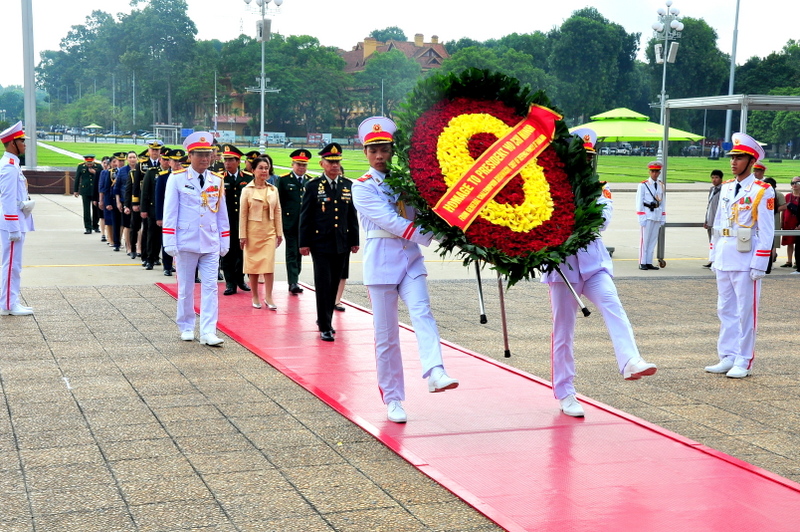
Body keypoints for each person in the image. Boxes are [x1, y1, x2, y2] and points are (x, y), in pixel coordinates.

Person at [351, 116, 458, 423]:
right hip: (382, 265)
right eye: (373, 150)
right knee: (386, 337)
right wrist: (432, 236)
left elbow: (428, 214)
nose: (379, 155)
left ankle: (435, 371)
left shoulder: (408, 182)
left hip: (410, 260)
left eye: (384, 148)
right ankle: (394, 398)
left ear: (393, 149)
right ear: (365, 153)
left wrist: (455, 234)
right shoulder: (362, 188)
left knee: (423, 313)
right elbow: (392, 222)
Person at [543, 128, 656, 417]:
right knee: (563, 333)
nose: (586, 163)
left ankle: (631, 360)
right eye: (580, 157)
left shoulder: (601, 189)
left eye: (589, 158)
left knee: (613, 305)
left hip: (593, 265)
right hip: (563, 271)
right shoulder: (546, 188)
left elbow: (599, 222)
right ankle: (565, 392)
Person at [705, 132, 774, 378]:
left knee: (746, 311)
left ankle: (744, 359)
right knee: (725, 309)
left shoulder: (761, 191)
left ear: (751, 161)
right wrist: (713, 254)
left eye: (739, 157)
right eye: (732, 157)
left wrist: (761, 263)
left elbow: (766, 231)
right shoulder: (725, 188)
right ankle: (727, 355)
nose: (733, 162)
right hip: (725, 255)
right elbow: (718, 224)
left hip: (746, 259)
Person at [162, 132, 231, 346]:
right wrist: (170, 242)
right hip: (186, 241)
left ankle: (209, 331)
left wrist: (224, 240)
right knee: (186, 287)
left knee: (211, 287)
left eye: (208, 155)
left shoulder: (216, 180)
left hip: (210, 241)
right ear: (189, 155)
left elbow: (222, 214)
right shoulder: (177, 179)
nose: (205, 159)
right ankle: (186, 325)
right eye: (199, 155)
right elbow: (170, 212)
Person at [299, 143, 359, 342]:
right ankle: (325, 325)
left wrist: (354, 240)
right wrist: (304, 243)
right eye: (331, 162)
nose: (335, 165)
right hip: (320, 243)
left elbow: (351, 216)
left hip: (341, 242)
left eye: (337, 162)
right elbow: (305, 217)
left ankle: (326, 319)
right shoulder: (313, 186)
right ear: (322, 164)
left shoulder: (347, 185)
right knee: (323, 284)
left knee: (334, 284)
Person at [0, 122, 35, 316]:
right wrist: (14, 227)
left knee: (14, 264)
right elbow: (6, 199)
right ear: (13, 143)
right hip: (11, 224)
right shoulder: (9, 167)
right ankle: (7, 304)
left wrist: (24, 204)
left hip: (14, 221)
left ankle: (11, 300)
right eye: (22, 141)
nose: (25, 144)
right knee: (12, 265)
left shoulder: (12, 165)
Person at [240, 156, 283, 310]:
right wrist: (242, 236)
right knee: (254, 266)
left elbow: (278, 211)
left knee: (268, 265)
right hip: (252, 232)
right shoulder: (247, 190)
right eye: (261, 168)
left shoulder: (273, 189)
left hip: (269, 232)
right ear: (253, 170)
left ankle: (269, 296)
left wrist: (279, 232)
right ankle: (255, 296)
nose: (264, 171)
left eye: (266, 168)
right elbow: (243, 215)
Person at [276, 149, 311, 295]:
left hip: (306, 225)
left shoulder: (310, 181)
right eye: (298, 164)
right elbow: (279, 204)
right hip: (290, 223)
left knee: (300, 252)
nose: (301, 167)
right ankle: (293, 282)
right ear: (292, 164)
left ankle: (295, 278)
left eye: (303, 165)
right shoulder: (284, 180)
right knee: (292, 252)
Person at [220, 144, 253, 295]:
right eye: (225, 160)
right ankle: (229, 283)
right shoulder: (219, 178)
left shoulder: (248, 178)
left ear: (238, 161)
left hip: (242, 222)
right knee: (227, 253)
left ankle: (240, 279)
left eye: (230, 160)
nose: (227, 163)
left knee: (241, 253)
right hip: (225, 221)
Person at [155, 149, 185, 276]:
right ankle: (167, 266)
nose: (177, 164)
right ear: (169, 162)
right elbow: (159, 198)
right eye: (175, 161)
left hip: (184, 214)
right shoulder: (163, 177)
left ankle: (181, 266)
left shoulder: (187, 175)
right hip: (169, 214)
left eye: (180, 161)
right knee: (168, 239)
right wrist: (159, 217)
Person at [140, 147, 170, 270]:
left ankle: (165, 262)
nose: (166, 162)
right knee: (152, 236)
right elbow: (145, 192)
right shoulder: (152, 172)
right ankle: (150, 259)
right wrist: (143, 209)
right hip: (153, 209)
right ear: (160, 159)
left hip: (168, 210)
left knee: (166, 238)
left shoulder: (174, 174)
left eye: (169, 160)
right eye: (164, 159)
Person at [635, 161, 666, 270]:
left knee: (653, 240)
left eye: (656, 171)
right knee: (645, 240)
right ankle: (642, 262)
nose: (654, 173)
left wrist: (663, 216)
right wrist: (641, 216)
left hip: (657, 215)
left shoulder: (661, 185)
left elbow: (663, 201)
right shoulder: (643, 185)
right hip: (647, 214)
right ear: (649, 172)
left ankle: (649, 261)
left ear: (659, 172)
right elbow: (639, 202)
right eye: (652, 171)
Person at [761, 177, 786, 274]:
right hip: (763, 221)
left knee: (774, 243)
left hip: (774, 220)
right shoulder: (760, 194)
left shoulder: (778, 194)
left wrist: (774, 210)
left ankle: (770, 264)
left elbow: (784, 206)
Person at [73, 154, 103, 235]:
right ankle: (88, 227)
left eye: (91, 162)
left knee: (96, 209)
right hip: (85, 190)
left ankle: (95, 226)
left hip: (95, 191)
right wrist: (76, 190)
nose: (89, 164)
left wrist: (95, 172)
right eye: (87, 163)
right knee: (86, 210)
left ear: (94, 161)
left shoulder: (99, 166)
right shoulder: (81, 166)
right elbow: (77, 178)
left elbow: (102, 176)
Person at [702, 169, 724, 268]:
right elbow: (709, 205)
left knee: (718, 241)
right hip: (710, 220)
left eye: (716, 177)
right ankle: (712, 259)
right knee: (711, 242)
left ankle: (717, 260)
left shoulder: (723, 190)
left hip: (718, 222)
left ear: (721, 178)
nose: (714, 180)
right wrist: (706, 219)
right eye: (713, 177)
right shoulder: (712, 189)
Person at [781, 177, 800, 269]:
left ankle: (797, 261)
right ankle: (789, 261)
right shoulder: (788, 196)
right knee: (789, 242)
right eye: (793, 182)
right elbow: (784, 210)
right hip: (788, 222)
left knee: (798, 243)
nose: (794, 184)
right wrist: (781, 222)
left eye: (797, 182)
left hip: (797, 222)